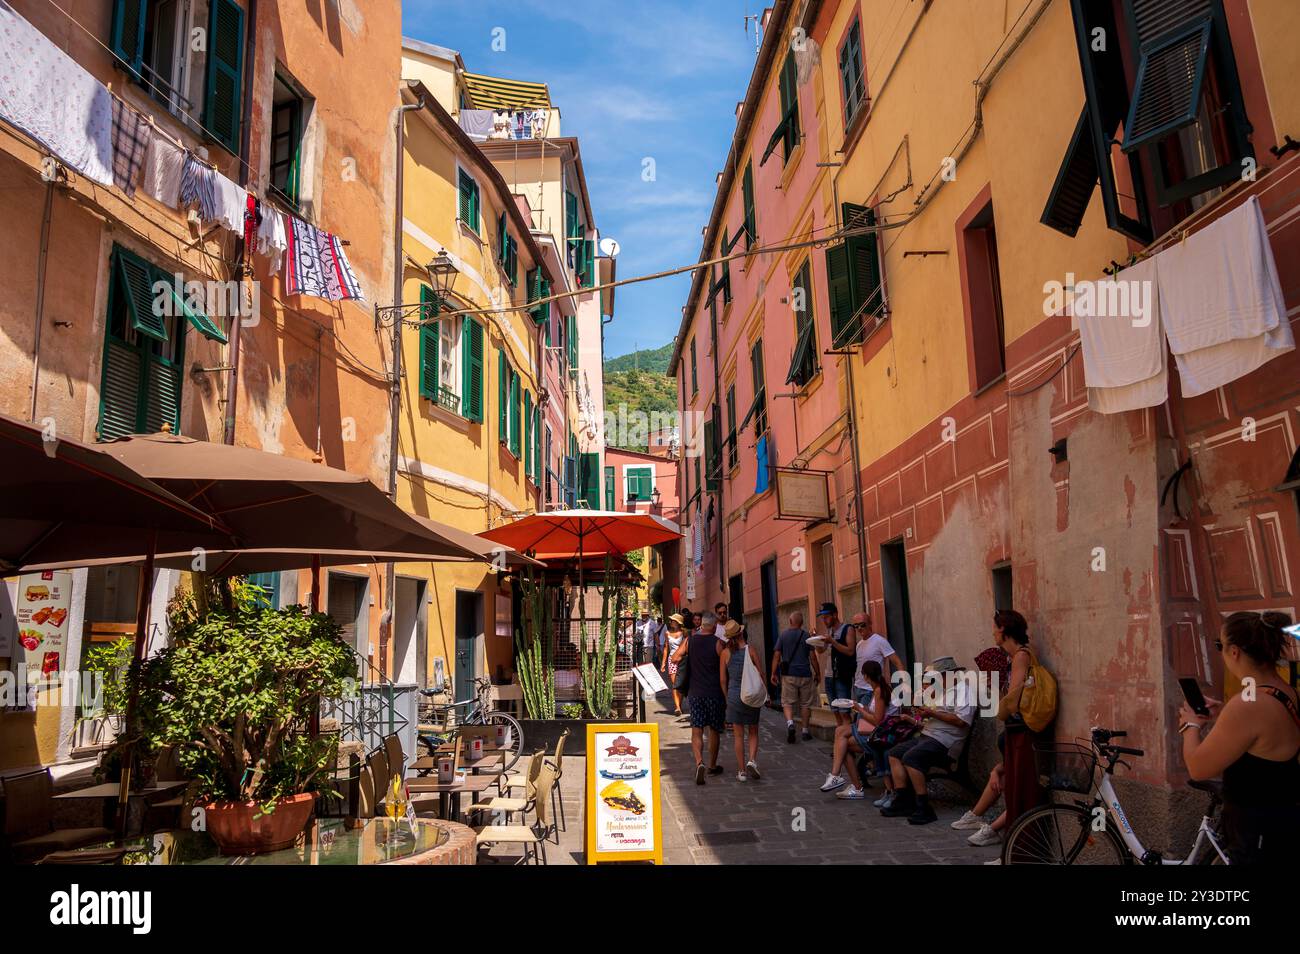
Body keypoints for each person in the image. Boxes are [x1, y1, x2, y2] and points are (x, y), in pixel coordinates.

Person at [1180, 611, 1300, 864]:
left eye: (1219, 646)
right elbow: (1264, 732)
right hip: (1282, 822)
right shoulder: (1284, 691)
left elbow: (1198, 768)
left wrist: (1190, 724)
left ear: (1234, 651)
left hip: (1255, 833)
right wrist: (1222, 715)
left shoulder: (1247, 705)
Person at [881, 657, 976, 825]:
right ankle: (903, 800)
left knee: (911, 758)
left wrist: (932, 713)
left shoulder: (964, 691)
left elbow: (962, 721)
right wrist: (922, 712)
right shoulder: (942, 690)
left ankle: (923, 806)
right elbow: (928, 714)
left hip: (945, 742)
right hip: (928, 735)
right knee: (894, 754)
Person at [986, 609, 1047, 838]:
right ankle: (1011, 851)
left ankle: (1018, 852)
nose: (993, 632)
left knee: (1020, 793)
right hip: (1017, 732)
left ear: (1003, 630)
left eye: (994, 628)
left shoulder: (1021, 656)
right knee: (1015, 791)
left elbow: (1012, 701)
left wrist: (999, 704)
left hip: (1022, 731)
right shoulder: (1015, 657)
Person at [671, 610, 726, 784]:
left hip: (695, 692)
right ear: (715, 626)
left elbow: (674, 658)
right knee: (714, 730)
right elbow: (727, 665)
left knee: (697, 729)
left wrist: (688, 660)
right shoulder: (718, 643)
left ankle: (699, 762)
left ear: (702, 624)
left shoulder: (690, 641)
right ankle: (712, 765)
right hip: (714, 693)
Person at [829, 660, 893, 799]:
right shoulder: (878, 688)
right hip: (876, 730)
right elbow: (875, 713)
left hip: (880, 734)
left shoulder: (880, 691)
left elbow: (877, 720)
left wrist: (859, 709)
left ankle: (850, 784)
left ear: (865, 676)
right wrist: (860, 707)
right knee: (840, 732)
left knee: (843, 745)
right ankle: (837, 775)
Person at [720, 619, 763, 781]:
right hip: (751, 695)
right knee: (753, 731)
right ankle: (752, 760)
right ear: (741, 633)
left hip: (734, 695)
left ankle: (742, 771)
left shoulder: (725, 653)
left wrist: (726, 697)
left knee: (738, 736)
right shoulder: (750, 650)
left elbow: (723, 680)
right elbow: (760, 674)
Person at [771, 611, 816, 743]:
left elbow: (776, 656)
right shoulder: (806, 636)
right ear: (801, 623)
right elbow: (813, 657)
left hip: (789, 675)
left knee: (787, 702)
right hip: (805, 674)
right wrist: (817, 672)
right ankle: (805, 731)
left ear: (790, 621)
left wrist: (773, 673)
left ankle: (790, 723)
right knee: (805, 703)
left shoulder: (783, 635)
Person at [817, 603, 857, 726]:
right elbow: (821, 651)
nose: (824, 620)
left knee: (844, 712)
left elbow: (850, 651)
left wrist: (833, 642)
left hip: (842, 676)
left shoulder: (848, 629)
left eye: (826, 617)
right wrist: (816, 641)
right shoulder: (829, 631)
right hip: (829, 676)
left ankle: (848, 739)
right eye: (822, 618)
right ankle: (841, 737)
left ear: (835, 615)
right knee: (835, 711)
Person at [852, 614, 902, 709]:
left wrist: (903, 683)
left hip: (870, 689)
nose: (859, 628)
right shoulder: (859, 644)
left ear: (870, 624)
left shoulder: (879, 641)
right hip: (858, 687)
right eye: (856, 626)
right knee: (864, 721)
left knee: (863, 721)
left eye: (862, 625)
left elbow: (897, 661)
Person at [662, 613, 687, 716]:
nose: (671, 622)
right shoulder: (667, 633)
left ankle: (679, 705)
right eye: (671, 620)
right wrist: (663, 663)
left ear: (677, 622)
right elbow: (666, 648)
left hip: (682, 660)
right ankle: (677, 707)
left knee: (680, 684)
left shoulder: (684, 633)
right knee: (675, 685)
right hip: (671, 660)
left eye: (673, 620)